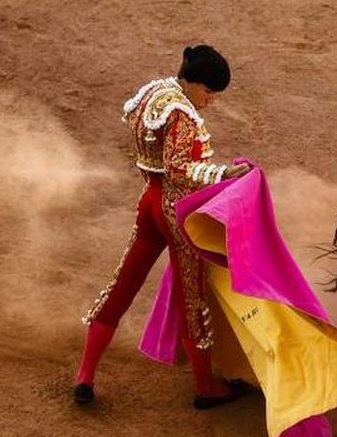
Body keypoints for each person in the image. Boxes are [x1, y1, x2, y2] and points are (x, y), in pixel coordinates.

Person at [73, 45, 252, 408]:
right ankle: (205, 387)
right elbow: (177, 169)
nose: (211, 101)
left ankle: (85, 375)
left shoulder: (155, 93)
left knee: (122, 285)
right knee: (193, 300)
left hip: (149, 204)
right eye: (209, 92)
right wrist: (223, 173)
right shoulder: (182, 116)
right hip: (176, 212)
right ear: (195, 83)